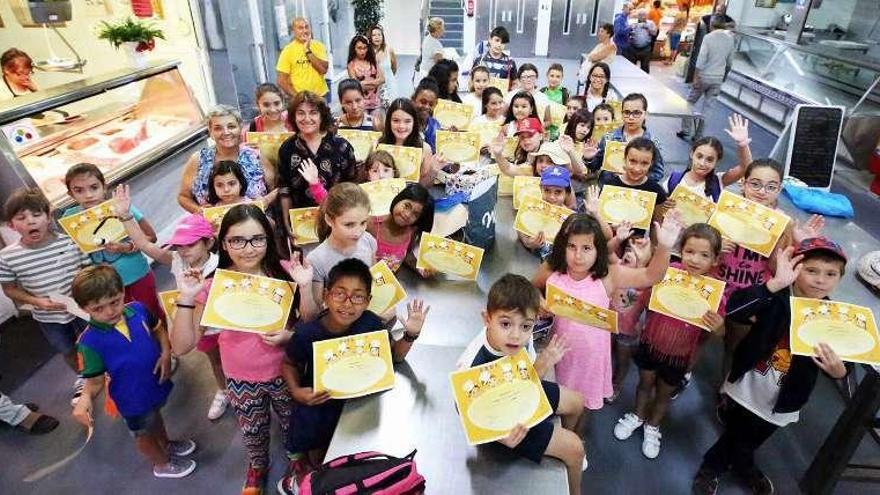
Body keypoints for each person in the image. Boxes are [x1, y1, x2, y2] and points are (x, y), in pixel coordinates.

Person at [171, 204, 317, 494]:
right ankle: (257, 464)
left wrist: (303, 291)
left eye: (257, 239)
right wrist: (187, 298)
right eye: (238, 240)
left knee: (292, 421)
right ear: (223, 242)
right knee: (252, 429)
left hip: (286, 371)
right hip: (240, 376)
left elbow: (310, 321)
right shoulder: (215, 285)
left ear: (268, 238)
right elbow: (182, 346)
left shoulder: (287, 272)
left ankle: (296, 457)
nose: (248, 248)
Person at [693, 238, 848, 495]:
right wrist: (774, 283)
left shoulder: (835, 317)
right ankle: (712, 467)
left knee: (755, 437)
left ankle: (742, 462)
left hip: (787, 398)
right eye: (812, 270)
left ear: (839, 278)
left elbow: (846, 362)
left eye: (830, 274)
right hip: (747, 385)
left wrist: (839, 372)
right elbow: (736, 309)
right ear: (795, 269)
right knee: (736, 434)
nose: (821, 280)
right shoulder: (774, 296)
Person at [277, 258, 429, 493]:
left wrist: (410, 334)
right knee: (321, 454)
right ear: (326, 295)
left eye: (357, 296)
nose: (347, 303)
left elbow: (394, 358)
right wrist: (297, 392)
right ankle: (315, 476)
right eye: (340, 294)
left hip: (359, 402)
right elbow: (288, 363)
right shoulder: (307, 333)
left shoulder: (370, 323)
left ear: (368, 301)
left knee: (351, 450)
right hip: (320, 405)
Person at [532, 213, 681, 430]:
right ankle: (562, 436)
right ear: (562, 246)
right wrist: (540, 301)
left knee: (584, 403)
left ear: (599, 249)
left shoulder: (609, 276)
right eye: (571, 246)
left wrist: (665, 246)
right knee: (558, 400)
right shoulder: (553, 269)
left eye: (586, 248)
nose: (578, 256)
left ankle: (578, 437)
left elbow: (651, 276)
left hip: (591, 357)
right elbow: (531, 287)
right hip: (558, 353)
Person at [456, 273, 586, 495]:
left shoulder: (523, 338)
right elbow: (463, 409)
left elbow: (527, 375)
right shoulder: (472, 364)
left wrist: (543, 363)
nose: (516, 335)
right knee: (574, 448)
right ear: (486, 319)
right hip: (499, 417)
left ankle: (563, 455)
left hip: (518, 387)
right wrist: (499, 434)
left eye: (526, 326)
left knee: (577, 402)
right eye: (505, 323)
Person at [112, 184, 228, 420]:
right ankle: (224, 390)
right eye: (179, 245)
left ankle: (244, 389)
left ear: (208, 242)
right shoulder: (176, 260)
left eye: (191, 244)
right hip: (197, 327)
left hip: (226, 324)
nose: (183, 251)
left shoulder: (223, 264)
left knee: (236, 358)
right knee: (215, 361)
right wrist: (126, 216)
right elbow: (145, 245)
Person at [71, 265, 196, 479]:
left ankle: (165, 445)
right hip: (131, 398)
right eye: (98, 308)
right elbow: (94, 382)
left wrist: (166, 353)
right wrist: (85, 398)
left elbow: (158, 328)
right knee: (143, 433)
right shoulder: (88, 342)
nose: (110, 311)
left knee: (156, 417)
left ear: (122, 293)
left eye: (114, 302)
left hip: (154, 383)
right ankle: (162, 464)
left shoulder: (137, 309)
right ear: (85, 309)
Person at [613, 224, 725, 459]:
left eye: (704, 255)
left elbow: (718, 332)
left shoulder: (714, 292)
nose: (695, 259)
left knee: (664, 395)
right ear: (680, 251)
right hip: (650, 345)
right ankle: (637, 415)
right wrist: (629, 319)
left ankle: (653, 426)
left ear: (715, 260)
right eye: (690, 251)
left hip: (679, 356)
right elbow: (643, 300)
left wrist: (719, 327)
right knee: (644, 385)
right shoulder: (666, 272)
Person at [0, 188, 90, 404]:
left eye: (36, 215)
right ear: (11, 225)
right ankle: (83, 377)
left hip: (82, 309)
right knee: (67, 349)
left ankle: (107, 370)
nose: (30, 222)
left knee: (93, 342)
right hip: (48, 317)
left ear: (49, 216)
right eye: (21, 218)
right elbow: (9, 289)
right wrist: (37, 302)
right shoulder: (7, 257)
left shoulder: (70, 243)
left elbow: (88, 270)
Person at [63, 163, 164, 321]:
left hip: (137, 275)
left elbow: (151, 236)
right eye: (79, 190)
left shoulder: (121, 206)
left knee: (150, 314)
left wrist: (127, 247)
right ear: (70, 194)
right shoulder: (71, 218)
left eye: (94, 187)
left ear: (104, 186)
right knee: (121, 321)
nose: (88, 195)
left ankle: (163, 344)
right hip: (103, 287)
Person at [278, 91, 358, 243]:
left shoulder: (341, 146)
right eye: (300, 113)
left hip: (339, 222)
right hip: (302, 225)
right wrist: (287, 221)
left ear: (322, 116)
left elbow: (352, 185)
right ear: (293, 117)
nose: (307, 119)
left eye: (313, 113)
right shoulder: (287, 149)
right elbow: (284, 189)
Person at [179, 105, 271, 214]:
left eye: (231, 126)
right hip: (212, 227)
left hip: (256, 223)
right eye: (218, 128)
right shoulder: (198, 159)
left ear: (240, 128)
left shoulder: (255, 155)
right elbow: (183, 196)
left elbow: (278, 187)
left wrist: (266, 200)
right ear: (210, 132)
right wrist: (200, 211)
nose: (226, 132)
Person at [307, 183, 376, 304]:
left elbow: (373, 276)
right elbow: (316, 310)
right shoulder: (316, 260)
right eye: (349, 225)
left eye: (363, 223)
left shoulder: (368, 240)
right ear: (329, 220)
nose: (358, 232)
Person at [665, 115, 752, 201]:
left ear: (717, 162)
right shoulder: (673, 179)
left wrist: (743, 145)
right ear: (692, 154)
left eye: (709, 160)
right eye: (699, 156)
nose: (702, 163)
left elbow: (746, 168)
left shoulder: (719, 181)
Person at [677, 17, 735, 141]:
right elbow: (729, 63)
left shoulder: (708, 37)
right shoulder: (730, 39)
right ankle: (699, 135)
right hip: (717, 79)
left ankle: (686, 131)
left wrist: (695, 77)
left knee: (689, 103)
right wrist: (723, 77)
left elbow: (701, 59)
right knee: (708, 109)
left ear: (711, 25)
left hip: (704, 76)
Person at [588, 93, 665, 184]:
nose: (630, 117)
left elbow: (658, 173)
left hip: (636, 193)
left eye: (636, 113)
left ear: (646, 114)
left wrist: (635, 176)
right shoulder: (609, 137)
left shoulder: (653, 142)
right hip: (609, 190)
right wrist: (589, 158)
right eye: (627, 113)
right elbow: (595, 166)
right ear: (621, 113)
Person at [367, 184, 435, 272]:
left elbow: (406, 255)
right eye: (406, 206)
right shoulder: (370, 225)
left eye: (415, 214)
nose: (407, 214)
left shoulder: (411, 232)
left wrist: (421, 269)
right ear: (398, 199)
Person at [382, 96, 444, 186]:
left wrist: (433, 170)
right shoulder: (378, 144)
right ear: (389, 122)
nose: (401, 126)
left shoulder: (425, 149)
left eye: (407, 121)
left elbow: (425, 187)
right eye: (396, 121)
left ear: (414, 123)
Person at [603, 138, 670, 215]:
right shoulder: (610, 186)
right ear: (625, 159)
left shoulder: (657, 191)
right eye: (632, 161)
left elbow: (658, 220)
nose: (637, 169)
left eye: (644, 163)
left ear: (651, 164)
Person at [276, 17, 330, 100]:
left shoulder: (318, 46)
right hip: (301, 99)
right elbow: (281, 81)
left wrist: (308, 51)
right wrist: (298, 97)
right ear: (293, 31)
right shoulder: (287, 51)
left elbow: (323, 70)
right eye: (300, 28)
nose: (305, 31)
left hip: (321, 96)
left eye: (306, 27)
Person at [346, 34, 385, 113]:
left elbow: (382, 79)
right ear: (354, 49)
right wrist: (374, 83)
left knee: (377, 123)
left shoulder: (373, 61)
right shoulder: (351, 65)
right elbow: (356, 85)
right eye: (359, 48)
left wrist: (365, 83)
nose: (362, 51)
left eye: (365, 48)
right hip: (361, 105)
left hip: (376, 102)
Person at [411, 78, 443, 154]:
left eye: (431, 104)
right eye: (423, 102)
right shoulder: (405, 123)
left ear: (436, 105)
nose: (426, 107)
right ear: (413, 99)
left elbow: (438, 153)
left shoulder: (436, 126)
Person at [369, 24, 399, 104]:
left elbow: (394, 68)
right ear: (370, 37)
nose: (377, 37)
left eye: (379, 34)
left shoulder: (389, 49)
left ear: (383, 36)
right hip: (375, 88)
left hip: (390, 86)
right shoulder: (368, 52)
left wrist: (389, 78)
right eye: (374, 35)